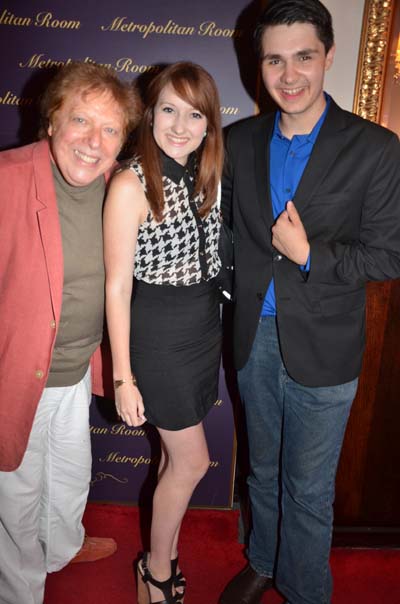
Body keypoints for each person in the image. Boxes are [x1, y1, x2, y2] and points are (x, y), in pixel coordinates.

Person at [219, 1, 400, 603]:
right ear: (258, 66)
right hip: (252, 340)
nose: (289, 74)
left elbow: (388, 256)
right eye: (275, 59)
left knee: (308, 487)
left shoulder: (375, 148)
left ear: (328, 56)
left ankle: (304, 590)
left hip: (325, 346)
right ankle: (264, 562)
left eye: (303, 56)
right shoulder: (237, 141)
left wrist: (308, 253)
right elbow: (222, 236)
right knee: (262, 472)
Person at [0, 61, 142, 604]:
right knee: (16, 491)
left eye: (110, 129)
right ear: (52, 119)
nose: (93, 141)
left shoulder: (117, 187)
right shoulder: (10, 178)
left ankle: (58, 545)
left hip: (76, 370)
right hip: (17, 374)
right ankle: (20, 588)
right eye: (81, 120)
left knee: (70, 473)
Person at [103, 61, 224, 603]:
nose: (180, 125)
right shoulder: (132, 183)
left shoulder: (205, 172)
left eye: (194, 113)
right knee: (193, 460)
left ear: (209, 122)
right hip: (158, 337)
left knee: (178, 460)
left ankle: (165, 554)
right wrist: (123, 377)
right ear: (149, 113)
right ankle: (154, 569)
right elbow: (117, 289)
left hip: (202, 332)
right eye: (168, 110)